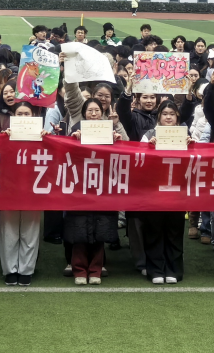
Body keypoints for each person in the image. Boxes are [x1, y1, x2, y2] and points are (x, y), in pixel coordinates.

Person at [63, 98, 122, 285]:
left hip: (102, 186)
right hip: (80, 186)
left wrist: (117, 140)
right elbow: (66, 154)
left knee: (100, 230)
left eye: (97, 110)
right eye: (90, 110)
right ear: (84, 113)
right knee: (79, 230)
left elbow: (121, 153)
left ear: (102, 112)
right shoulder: (76, 129)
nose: (94, 114)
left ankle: (96, 270)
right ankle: (79, 270)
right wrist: (73, 140)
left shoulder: (110, 130)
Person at [135, 99, 189, 284]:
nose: (168, 117)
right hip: (154, 191)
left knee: (175, 232)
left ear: (177, 117)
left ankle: (174, 270)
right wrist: (148, 148)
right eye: (165, 114)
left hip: (176, 191)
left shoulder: (185, 134)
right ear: (159, 117)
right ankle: (156, 270)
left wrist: (191, 145)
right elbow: (138, 159)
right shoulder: (149, 135)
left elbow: (195, 160)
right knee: (154, 231)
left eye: (172, 114)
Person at [0, 100, 42, 286]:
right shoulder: (4, 135)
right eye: (19, 114)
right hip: (9, 189)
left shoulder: (42, 135)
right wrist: (2, 138)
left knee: (30, 231)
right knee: (8, 231)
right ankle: (10, 270)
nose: (23, 118)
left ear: (34, 116)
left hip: (33, 189)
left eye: (27, 114)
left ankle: (26, 270)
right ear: (13, 116)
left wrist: (48, 137)